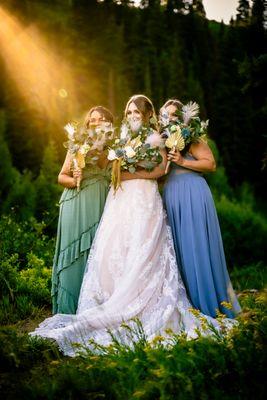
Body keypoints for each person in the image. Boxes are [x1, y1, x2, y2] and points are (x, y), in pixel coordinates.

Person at [30, 95, 236, 356]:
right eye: (128, 112)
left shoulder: (156, 135)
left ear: (148, 114)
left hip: (143, 197)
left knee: (145, 247)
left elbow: (161, 169)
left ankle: (144, 302)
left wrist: (129, 174)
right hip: (120, 199)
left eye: (136, 111)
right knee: (115, 248)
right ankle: (112, 299)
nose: (132, 115)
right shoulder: (123, 138)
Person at [161, 99, 241, 318]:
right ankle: (188, 304)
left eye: (174, 115)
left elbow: (210, 164)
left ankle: (210, 306)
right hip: (171, 195)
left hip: (193, 193)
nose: (171, 119)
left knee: (197, 245)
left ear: (182, 117)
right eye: (166, 116)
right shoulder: (163, 140)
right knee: (178, 250)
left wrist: (183, 161)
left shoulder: (192, 137)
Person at [52, 106, 113, 314]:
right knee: (76, 254)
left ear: (109, 123)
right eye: (93, 119)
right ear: (88, 123)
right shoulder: (77, 145)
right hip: (76, 202)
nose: (97, 122)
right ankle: (68, 309)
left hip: (102, 203)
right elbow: (62, 176)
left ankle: (94, 308)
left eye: (102, 119)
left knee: (98, 252)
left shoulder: (114, 147)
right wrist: (75, 178)